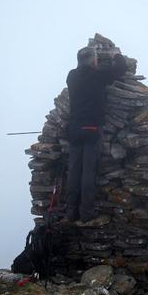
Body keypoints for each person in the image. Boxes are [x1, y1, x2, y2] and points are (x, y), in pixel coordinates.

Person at [63, 47, 128, 223]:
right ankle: (86, 214)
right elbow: (121, 68)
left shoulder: (71, 76)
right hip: (92, 129)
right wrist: (116, 56)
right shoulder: (97, 75)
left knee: (74, 171)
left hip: (75, 130)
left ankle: (70, 213)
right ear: (93, 61)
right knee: (88, 174)